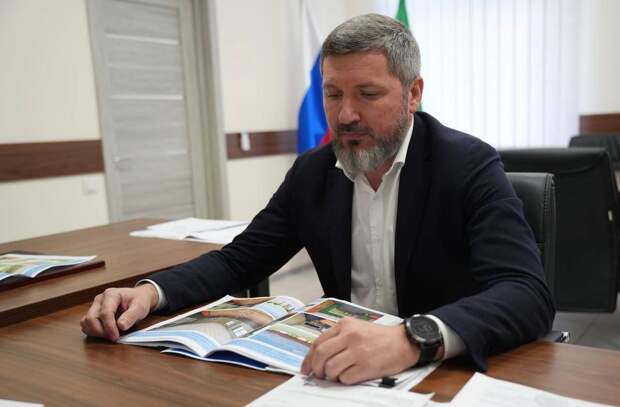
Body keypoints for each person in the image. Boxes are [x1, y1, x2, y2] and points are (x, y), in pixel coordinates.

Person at [81, 14, 555, 384]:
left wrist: (412, 338)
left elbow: (526, 293)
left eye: (367, 94)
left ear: (413, 94)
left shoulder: (466, 164)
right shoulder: (313, 172)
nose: (345, 115)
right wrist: (150, 292)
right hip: (341, 374)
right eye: (332, 94)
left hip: (441, 371)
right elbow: (238, 261)